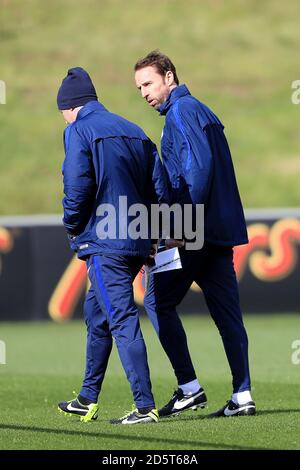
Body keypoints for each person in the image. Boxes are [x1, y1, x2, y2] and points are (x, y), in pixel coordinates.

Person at [134, 51, 256, 418]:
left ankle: (188, 388)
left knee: (157, 301)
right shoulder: (205, 112)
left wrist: (177, 229)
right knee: (228, 316)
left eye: (148, 83)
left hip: (194, 233)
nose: (143, 93)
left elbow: (197, 174)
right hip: (219, 233)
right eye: (139, 87)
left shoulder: (182, 112)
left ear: (169, 76)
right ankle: (243, 395)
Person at [56, 66, 169, 424]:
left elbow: (77, 186)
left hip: (106, 244)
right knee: (98, 314)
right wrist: (155, 232)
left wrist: (73, 226)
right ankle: (87, 397)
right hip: (135, 243)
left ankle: (145, 406)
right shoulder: (134, 130)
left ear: (69, 106)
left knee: (121, 320)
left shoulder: (78, 130)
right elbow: (160, 188)